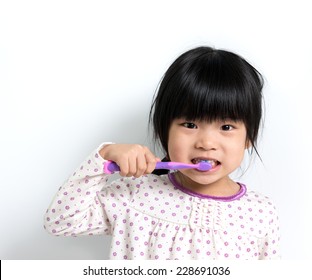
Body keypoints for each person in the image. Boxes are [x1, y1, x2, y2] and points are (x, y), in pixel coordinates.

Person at [44, 46, 280, 259]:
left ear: (249, 137)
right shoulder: (134, 194)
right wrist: (105, 154)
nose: (207, 142)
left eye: (226, 127)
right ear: (164, 130)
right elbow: (61, 222)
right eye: (190, 125)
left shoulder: (261, 213)